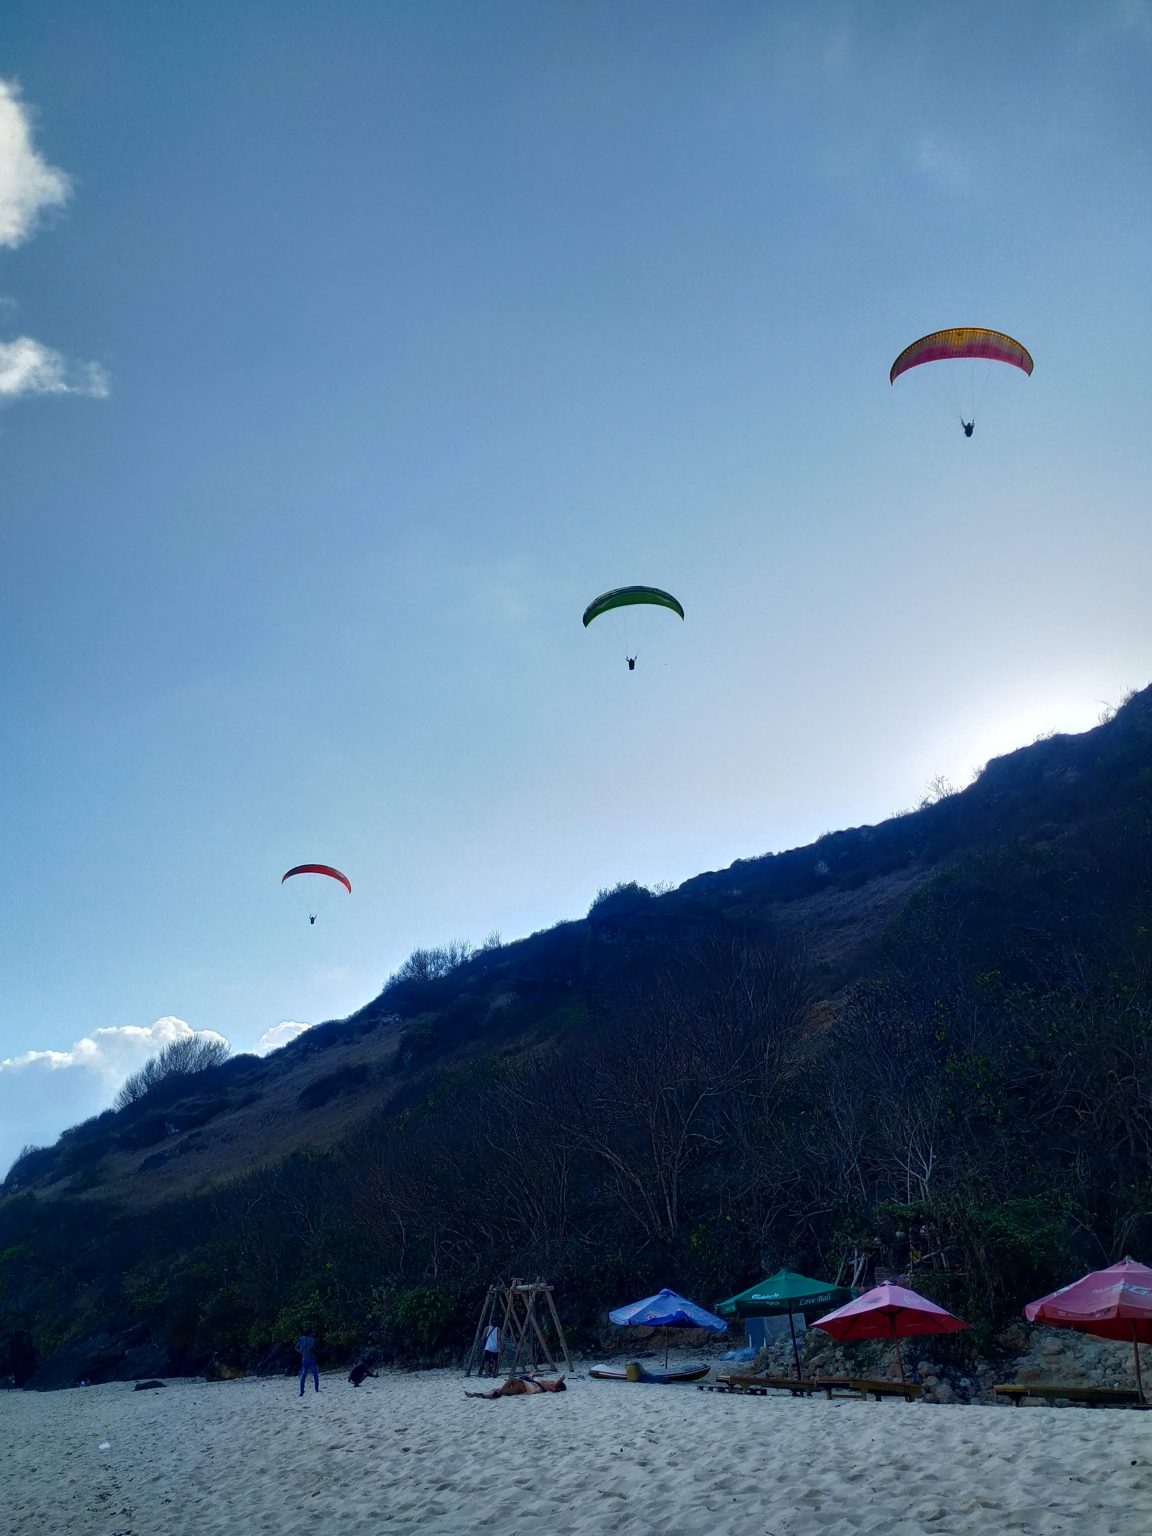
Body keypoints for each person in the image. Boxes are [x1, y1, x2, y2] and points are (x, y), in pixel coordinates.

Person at [465, 1375, 566, 1399]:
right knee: (502, 1390)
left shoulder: (553, 1386)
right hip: (524, 1387)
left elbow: (561, 1378)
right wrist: (532, 1374)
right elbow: (531, 1379)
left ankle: (496, 1394)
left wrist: (560, 1379)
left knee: (512, 1379)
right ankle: (478, 1395)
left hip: (525, 1386)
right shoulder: (549, 1385)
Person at [296, 1331, 319, 1396]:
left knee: (303, 1375)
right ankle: (316, 1388)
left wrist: (302, 1352)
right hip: (311, 1358)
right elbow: (313, 1349)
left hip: (304, 1359)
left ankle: (301, 1391)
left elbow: (296, 1347)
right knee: (315, 1374)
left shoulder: (301, 1339)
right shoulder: (312, 1339)